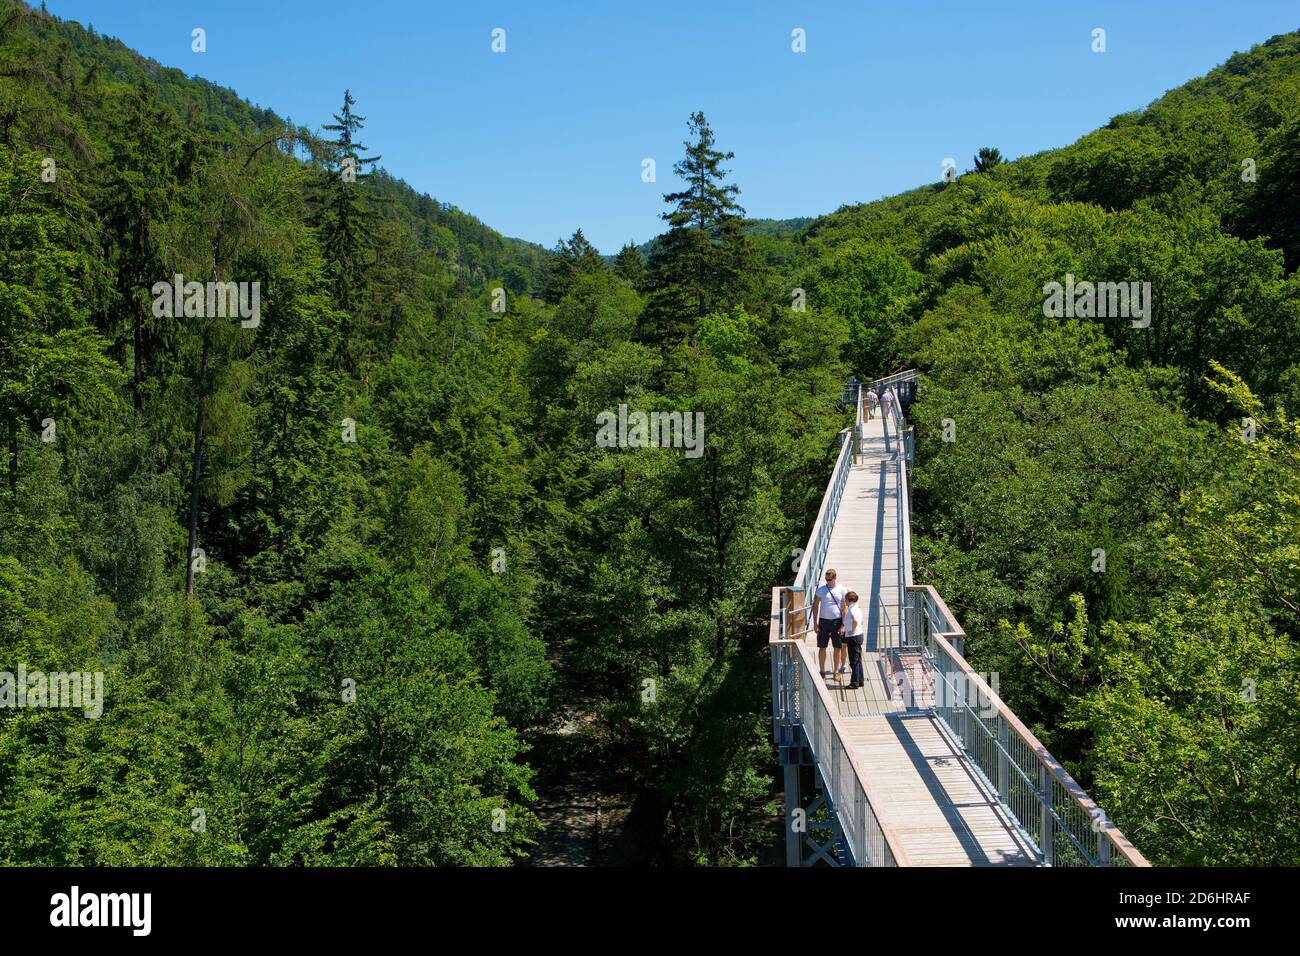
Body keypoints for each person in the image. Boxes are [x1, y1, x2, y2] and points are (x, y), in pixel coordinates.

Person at [811, 569, 846, 680]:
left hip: (837, 621)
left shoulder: (842, 589)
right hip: (823, 621)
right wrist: (815, 623)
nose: (827, 581)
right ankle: (822, 671)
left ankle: (836, 671)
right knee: (822, 647)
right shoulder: (821, 590)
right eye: (826, 579)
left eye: (829, 579)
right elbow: (815, 606)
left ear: (835, 578)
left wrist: (843, 624)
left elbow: (844, 608)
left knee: (837, 647)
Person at [843, 591, 865, 689]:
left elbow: (855, 620)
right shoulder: (857, 608)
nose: (845, 601)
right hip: (858, 635)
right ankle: (860, 680)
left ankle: (854, 682)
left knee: (854, 661)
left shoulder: (852, 609)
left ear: (849, 600)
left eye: (846, 599)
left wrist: (852, 630)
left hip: (854, 637)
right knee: (858, 660)